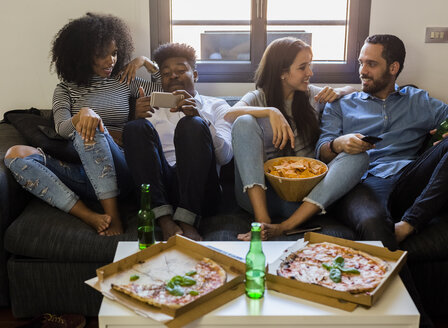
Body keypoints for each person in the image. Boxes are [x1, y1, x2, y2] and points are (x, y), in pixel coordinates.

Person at [4, 13, 162, 236]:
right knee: (14, 154)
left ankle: (114, 217)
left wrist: (146, 63)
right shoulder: (65, 89)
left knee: (90, 128)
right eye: (102, 55)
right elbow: (61, 129)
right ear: (82, 56)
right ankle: (90, 216)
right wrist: (82, 114)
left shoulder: (123, 81)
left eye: (115, 53)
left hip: (122, 171)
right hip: (83, 175)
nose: (111, 61)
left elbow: (166, 92)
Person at [223, 37, 368, 241]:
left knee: (359, 157)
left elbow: (354, 91)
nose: (310, 73)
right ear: (282, 72)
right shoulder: (259, 97)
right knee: (244, 122)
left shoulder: (312, 96)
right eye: (303, 67)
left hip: (306, 200)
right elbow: (229, 115)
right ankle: (262, 223)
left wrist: (339, 90)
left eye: (310, 65)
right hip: (264, 197)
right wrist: (270, 111)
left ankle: (283, 227)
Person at [317, 34, 448, 249]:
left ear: (393, 67)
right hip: (365, 181)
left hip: (410, 179)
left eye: (371, 64)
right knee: (373, 226)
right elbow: (321, 153)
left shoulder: (419, 100)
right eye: (361, 63)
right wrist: (338, 144)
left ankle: (408, 223)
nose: (362, 71)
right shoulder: (341, 104)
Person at [122, 43, 233, 241]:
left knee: (192, 124)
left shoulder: (217, 106)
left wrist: (201, 119)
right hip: (162, 192)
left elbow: (224, 158)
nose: (173, 76)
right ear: (162, 81)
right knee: (134, 128)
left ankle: (187, 221)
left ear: (195, 75)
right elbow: (140, 162)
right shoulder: (150, 107)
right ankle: (164, 220)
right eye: (166, 73)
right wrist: (136, 119)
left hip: (202, 193)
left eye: (181, 70)